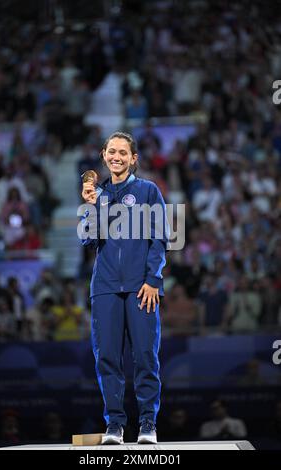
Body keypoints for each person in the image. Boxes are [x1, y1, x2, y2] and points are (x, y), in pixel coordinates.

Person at [80, 131, 169, 445]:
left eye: (123, 153)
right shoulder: (97, 193)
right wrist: (92, 206)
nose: (116, 157)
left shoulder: (147, 191)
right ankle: (114, 426)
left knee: (145, 355)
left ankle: (147, 424)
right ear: (104, 154)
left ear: (133, 159)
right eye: (111, 151)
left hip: (140, 287)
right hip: (104, 287)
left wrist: (153, 280)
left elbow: (160, 238)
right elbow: (89, 239)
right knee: (107, 357)